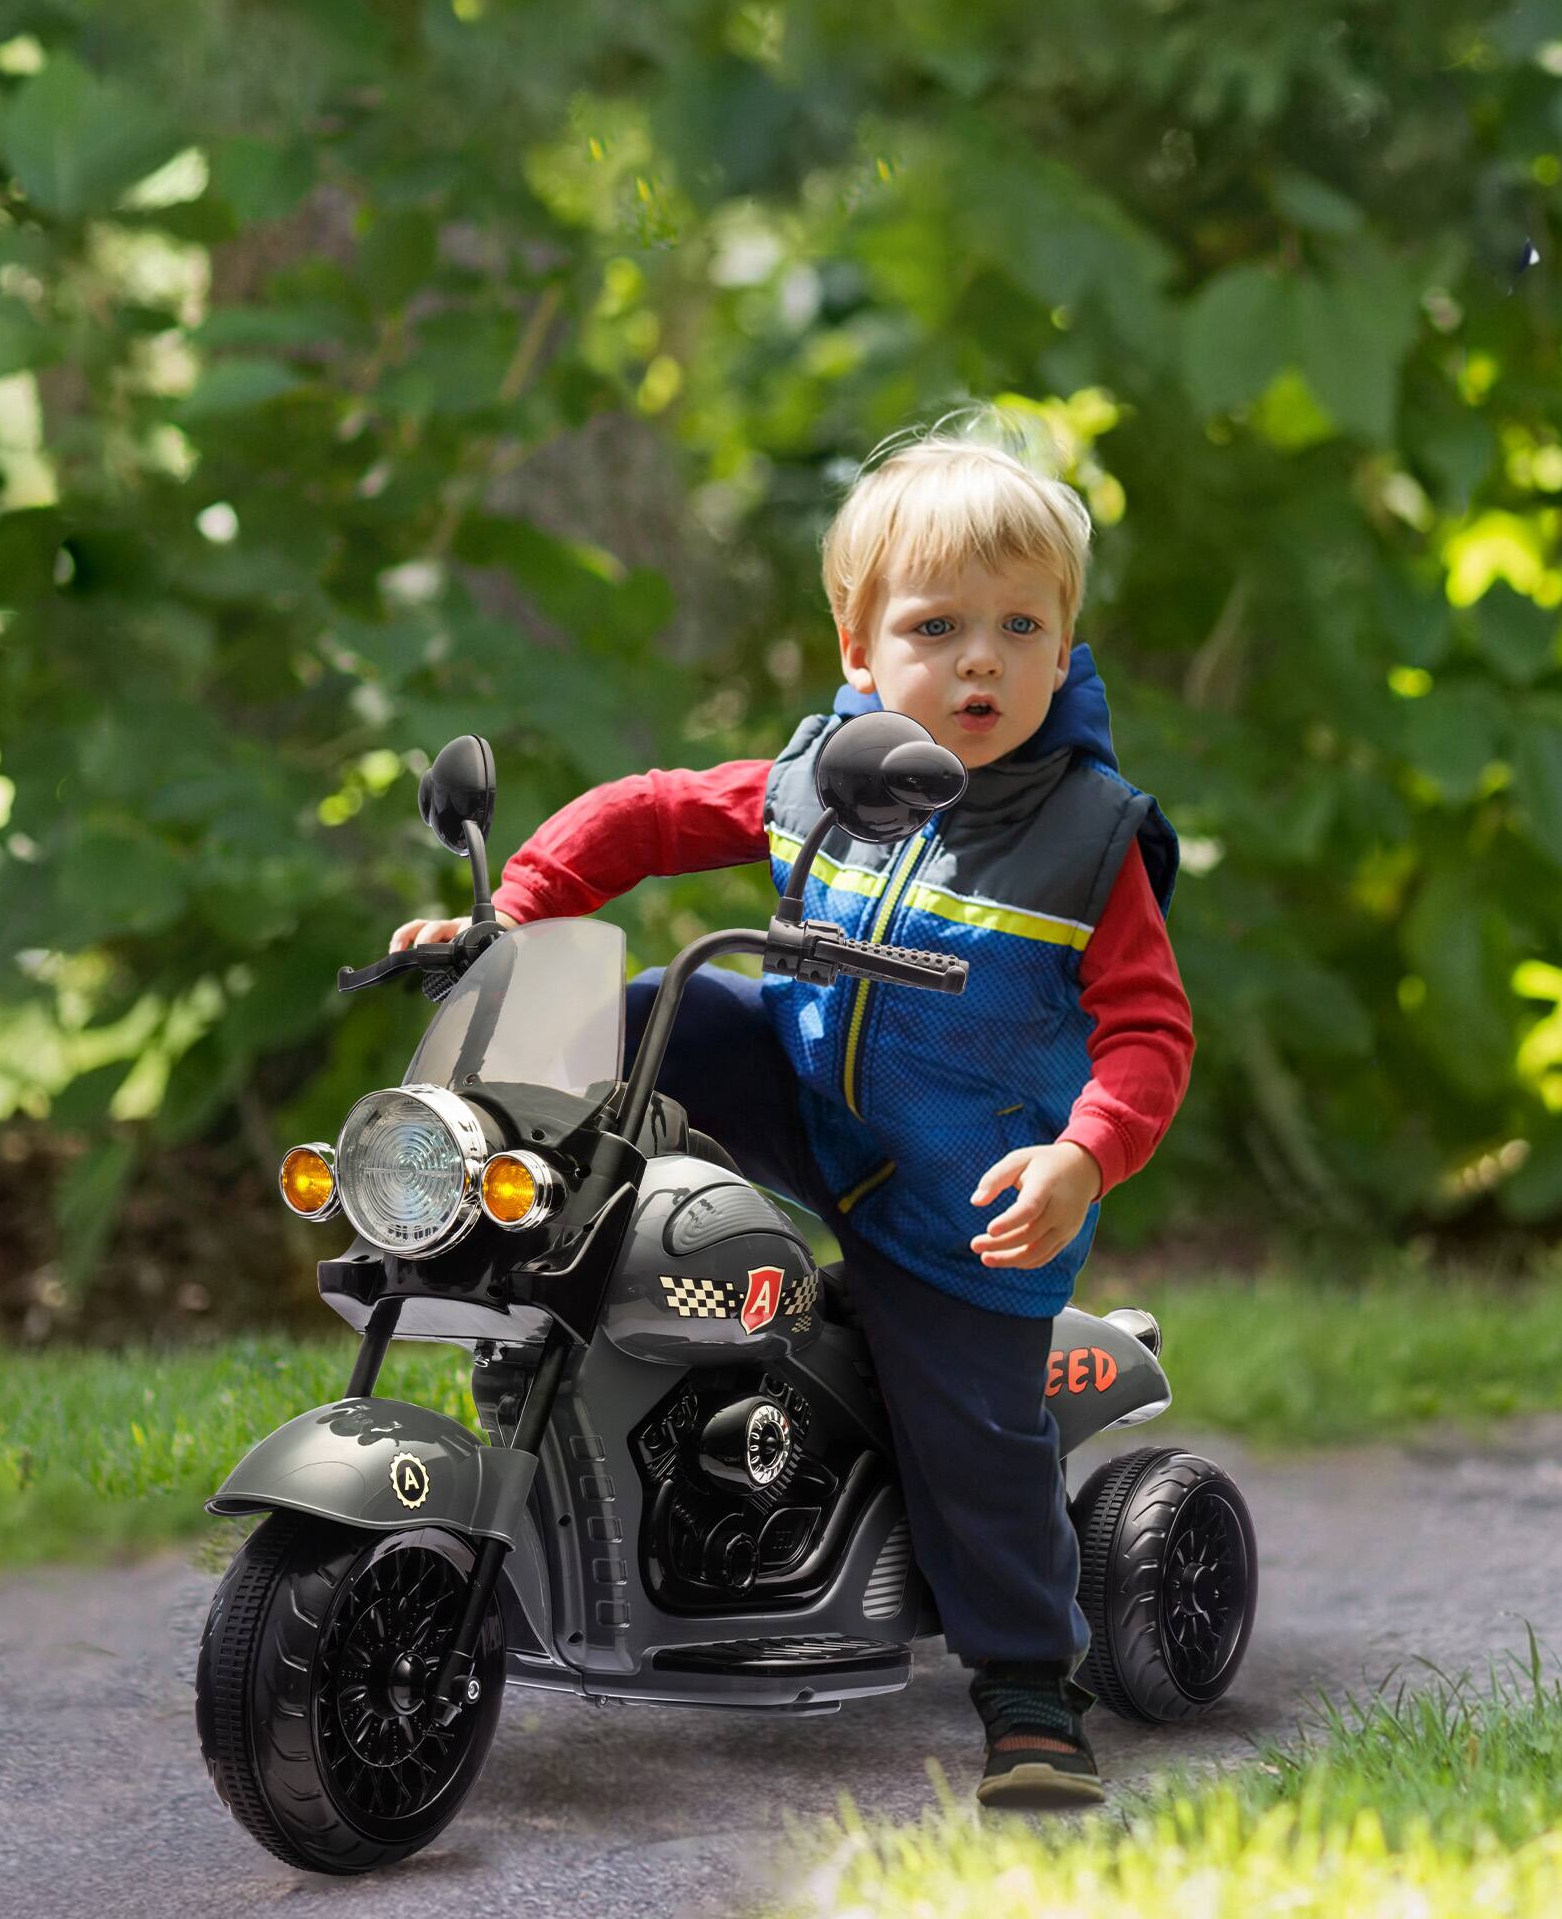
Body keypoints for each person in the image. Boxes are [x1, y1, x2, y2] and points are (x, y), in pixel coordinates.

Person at [392, 415, 1193, 1809]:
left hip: (960, 1192)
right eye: (937, 626)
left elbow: (1148, 1030)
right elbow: (646, 816)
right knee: (647, 1009)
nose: (983, 660)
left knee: (969, 1434)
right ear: (859, 645)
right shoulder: (826, 775)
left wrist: (1082, 1153)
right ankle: (525, 1204)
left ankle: (1028, 1689)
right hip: (808, 1092)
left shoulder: (1087, 836)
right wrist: (508, 917)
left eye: (1022, 625)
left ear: (1067, 646)